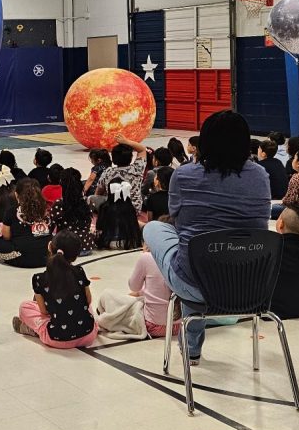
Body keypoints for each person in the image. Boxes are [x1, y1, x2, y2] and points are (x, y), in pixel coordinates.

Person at [144, 110, 271, 364]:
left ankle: (192, 348)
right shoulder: (260, 175)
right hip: (249, 284)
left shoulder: (184, 175)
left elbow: (176, 217)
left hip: (195, 281)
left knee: (156, 230)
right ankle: (192, 345)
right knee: (202, 253)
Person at [12, 231, 98, 348]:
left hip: (57, 339)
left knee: (25, 307)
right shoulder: (79, 271)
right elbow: (88, 301)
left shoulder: (39, 279)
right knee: (86, 308)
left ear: (49, 247)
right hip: (88, 335)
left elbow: (44, 312)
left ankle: (34, 330)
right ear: (75, 256)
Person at [0, 177, 51, 267]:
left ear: (16, 195)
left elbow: (6, 237)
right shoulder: (45, 210)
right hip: (46, 257)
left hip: (22, 258)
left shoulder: (12, 211)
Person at [127, 247, 180, 338]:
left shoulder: (146, 257)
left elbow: (134, 287)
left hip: (153, 326)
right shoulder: (181, 255)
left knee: (109, 296)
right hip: (180, 326)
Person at [91, 135, 147, 214]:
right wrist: (126, 141)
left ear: (113, 160)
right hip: (134, 210)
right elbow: (142, 150)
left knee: (91, 198)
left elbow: (98, 192)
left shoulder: (108, 172)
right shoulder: (137, 169)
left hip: (113, 210)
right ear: (131, 158)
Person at [49, 167, 97, 255]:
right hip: (86, 246)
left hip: (67, 248)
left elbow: (51, 225)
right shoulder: (88, 202)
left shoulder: (59, 204)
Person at [95, 180, 143, 250]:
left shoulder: (105, 207)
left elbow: (99, 227)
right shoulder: (129, 206)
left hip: (111, 242)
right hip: (131, 241)